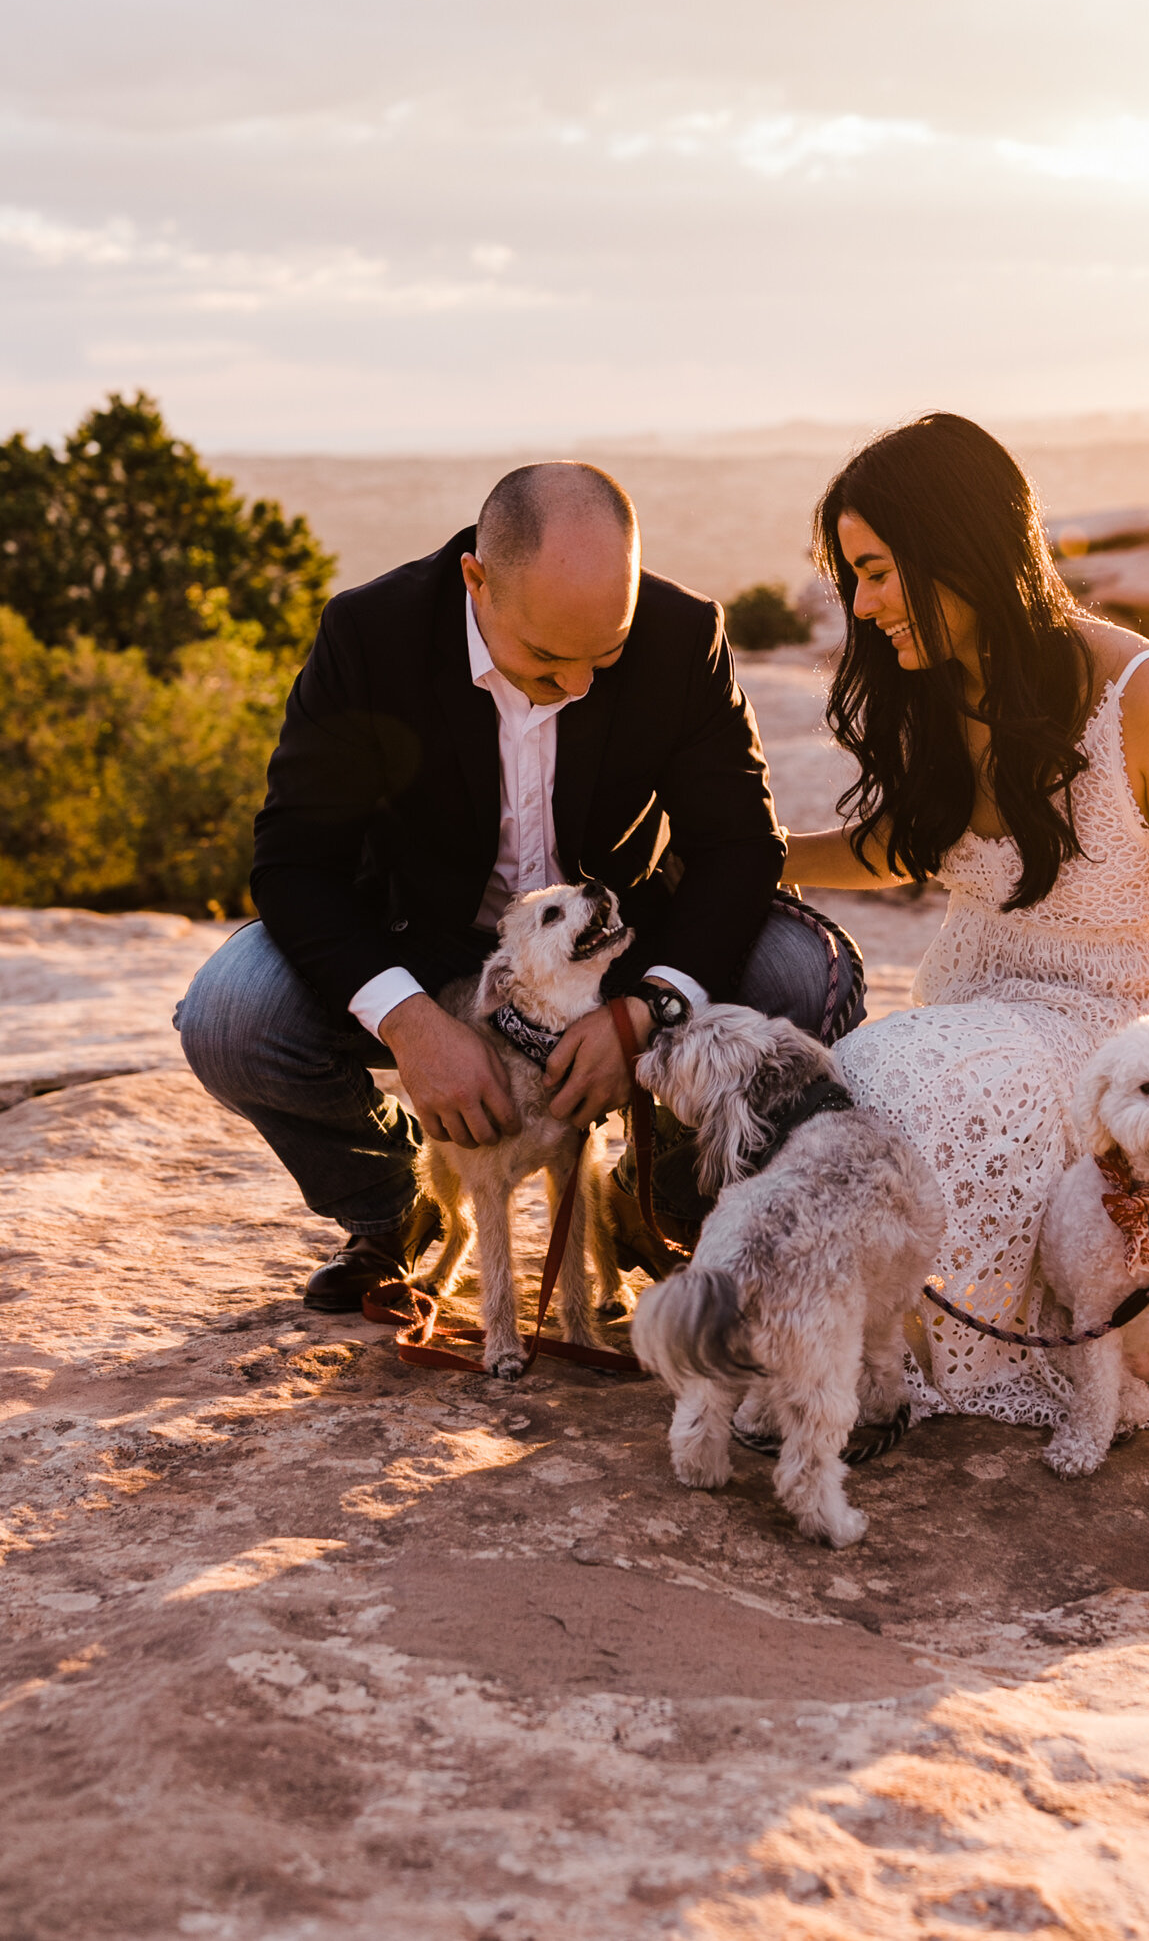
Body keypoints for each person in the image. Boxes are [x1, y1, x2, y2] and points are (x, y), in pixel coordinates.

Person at [176, 461, 863, 1313]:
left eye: (603, 656)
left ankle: (653, 1205)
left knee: (802, 981)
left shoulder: (684, 635)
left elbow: (737, 847)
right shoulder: (371, 635)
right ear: (477, 579)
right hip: (423, 941)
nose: (576, 685)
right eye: (545, 657)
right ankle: (404, 1213)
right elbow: (295, 861)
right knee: (229, 1016)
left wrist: (647, 1006)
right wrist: (411, 1023)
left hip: (621, 943)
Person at [782, 413, 1149, 1429]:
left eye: (875, 570)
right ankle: (856, 1357)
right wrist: (762, 857)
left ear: (955, 547)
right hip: (973, 1000)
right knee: (852, 1084)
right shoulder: (935, 686)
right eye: (849, 576)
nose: (862, 605)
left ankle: (932, 1362)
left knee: (886, 1078)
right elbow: (906, 838)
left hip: (1103, 1027)